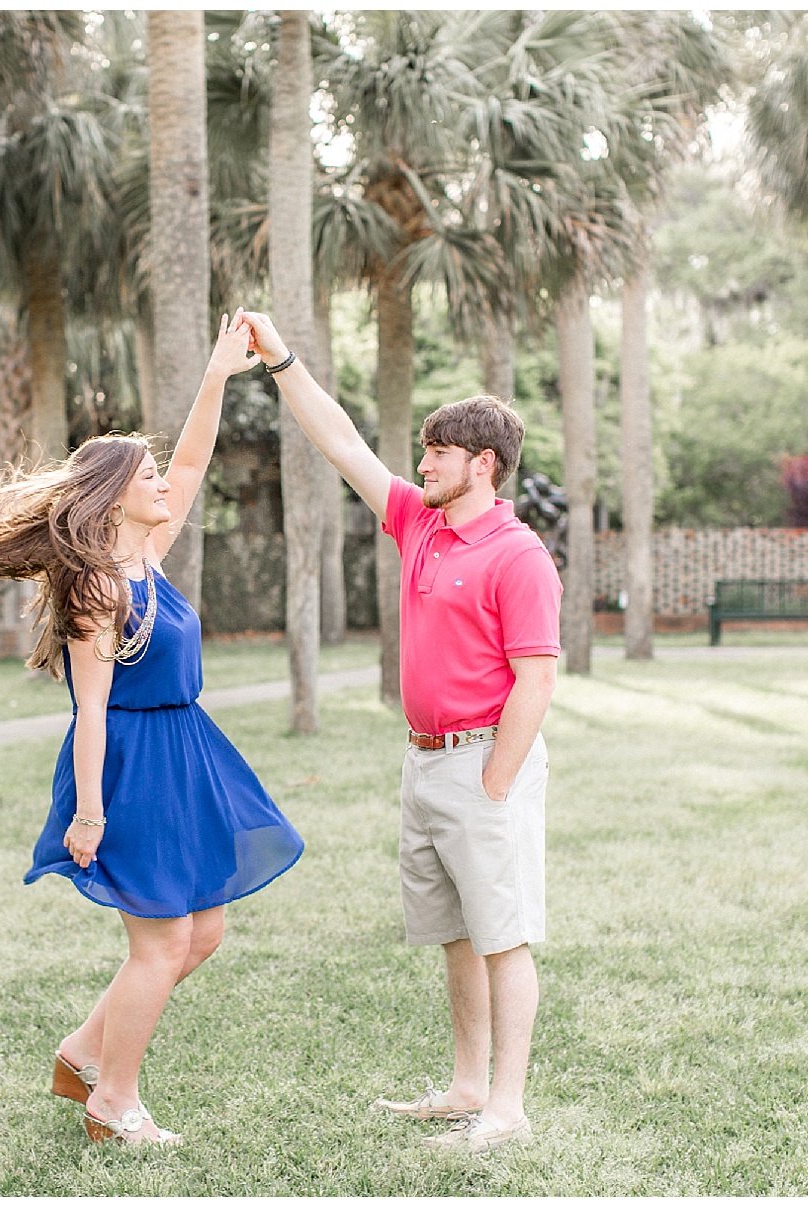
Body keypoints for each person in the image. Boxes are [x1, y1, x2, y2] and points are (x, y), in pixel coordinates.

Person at [0, 314, 304, 1147]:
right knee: (162, 941)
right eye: (145, 478)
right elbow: (93, 708)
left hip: (189, 754)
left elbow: (191, 458)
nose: (162, 486)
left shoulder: (150, 553)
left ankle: (80, 1052)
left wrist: (218, 374)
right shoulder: (99, 588)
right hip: (133, 763)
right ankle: (113, 1096)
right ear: (112, 496)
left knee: (201, 932)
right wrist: (92, 811)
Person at [236, 311, 560, 1155]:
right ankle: (465, 1084)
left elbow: (537, 678)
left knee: (504, 933)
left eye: (438, 454)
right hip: (423, 765)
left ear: (481, 464)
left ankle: (508, 1107)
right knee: (455, 933)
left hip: (485, 762)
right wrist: (282, 362)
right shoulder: (419, 522)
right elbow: (342, 444)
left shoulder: (518, 554)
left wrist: (496, 781)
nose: (421, 466)